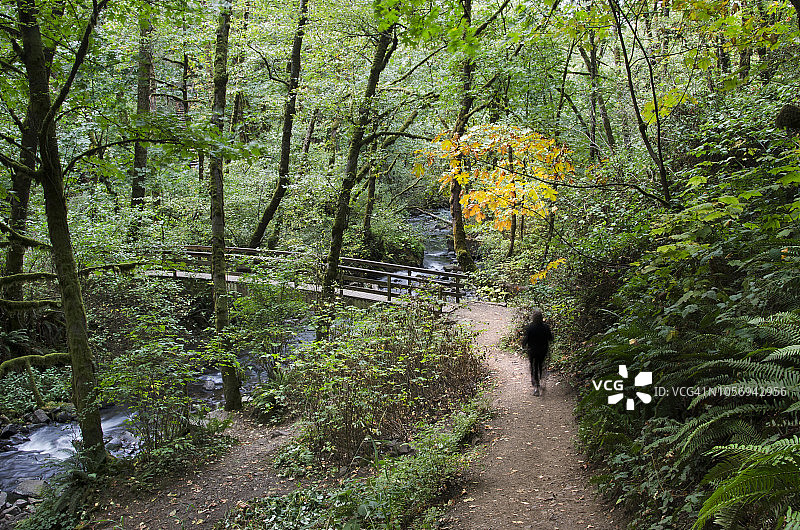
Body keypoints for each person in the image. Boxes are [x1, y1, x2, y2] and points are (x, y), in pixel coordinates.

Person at [522, 309, 553, 396]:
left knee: (533, 366)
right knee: (540, 364)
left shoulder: (530, 327)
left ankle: (536, 385)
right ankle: (541, 380)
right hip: (543, 350)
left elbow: (526, 339)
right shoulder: (546, 327)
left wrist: (523, 345)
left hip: (532, 351)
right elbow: (551, 338)